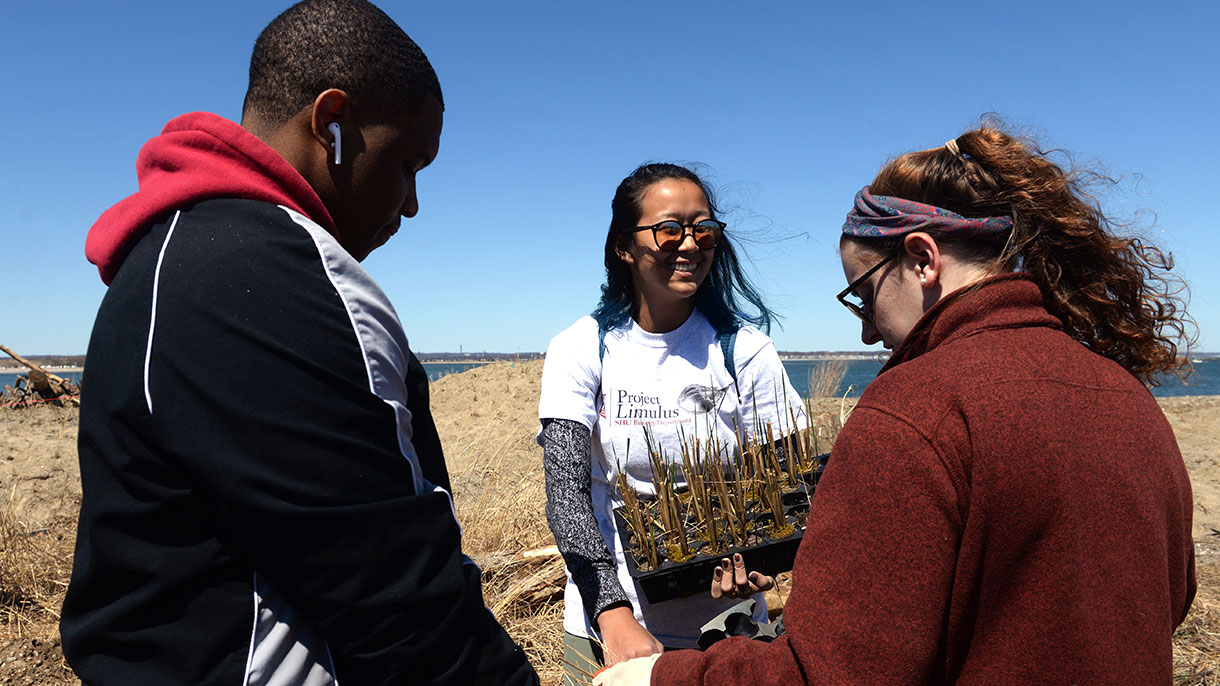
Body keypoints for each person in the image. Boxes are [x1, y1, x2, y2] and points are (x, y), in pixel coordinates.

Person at [594, 127, 1197, 685]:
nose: (866, 334)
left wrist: (657, 678)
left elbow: (829, 675)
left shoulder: (915, 412)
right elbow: (1169, 600)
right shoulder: (1124, 395)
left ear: (921, 259)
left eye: (863, 295)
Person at [60, 2, 538, 684]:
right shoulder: (279, 279)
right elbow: (399, 605)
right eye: (407, 161)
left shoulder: (164, 256)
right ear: (332, 124)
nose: (410, 202)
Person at [537, 163, 805, 681]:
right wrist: (611, 614)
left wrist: (762, 562)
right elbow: (565, 491)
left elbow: (787, 488)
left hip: (728, 633)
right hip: (610, 629)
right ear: (623, 246)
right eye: (668, 230)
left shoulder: (743, 350)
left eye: (703, 229)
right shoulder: (581, 347)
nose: (689, 244)